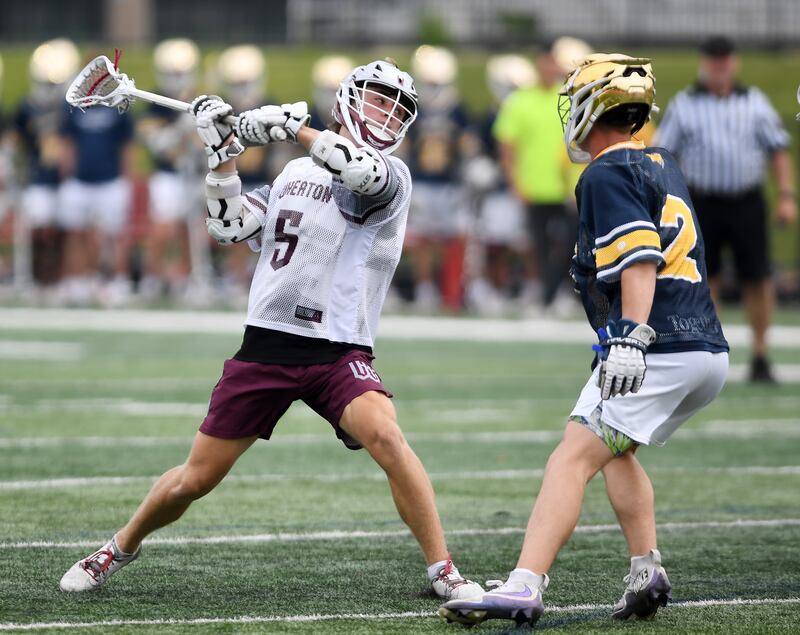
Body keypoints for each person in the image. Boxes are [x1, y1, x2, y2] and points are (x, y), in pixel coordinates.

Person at [59, 58, 483, 603]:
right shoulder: (294, 173)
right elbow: (229, 225)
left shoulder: (391, 177)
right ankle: (117, 548)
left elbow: (358, 173)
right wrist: (223, 157)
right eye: (377, 99)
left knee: (386, 436)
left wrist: (291, 128)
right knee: (196, 478)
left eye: (396, 107)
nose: (387, 114)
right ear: (347, 100)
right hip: (269, 341)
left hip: (338, 346)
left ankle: (442, 569)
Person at [440, 54, 729, 626]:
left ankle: (525, 582)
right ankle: (646, 569)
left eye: (577, 101)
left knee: (569, 460)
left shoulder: (606, 171)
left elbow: (640, 258)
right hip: (704, 347)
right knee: (615, 455)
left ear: (595, 107)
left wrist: (630, 337)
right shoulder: (660, 160)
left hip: (657, 345)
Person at [655, 36, 796, 383]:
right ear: (704, 63)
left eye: (725, 60)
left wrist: (786, 196)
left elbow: (778, 149)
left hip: (746, 200)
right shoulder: (684, 104)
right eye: (713, 60)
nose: (719, 67)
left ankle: (760, 353)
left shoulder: (755, 102)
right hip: (702, 202)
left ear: (734, 63)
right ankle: (709, 352)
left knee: (758, 277)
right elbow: (663, 154)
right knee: (705, 278)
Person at [492, 40, 577, 313]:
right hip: (534, 186)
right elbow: (507, 147)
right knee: (538, 246)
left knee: (568, 244)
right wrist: (515, 182)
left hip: (567, 187)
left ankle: (555, 292)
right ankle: (543, 292)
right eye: (546, 61)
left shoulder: (568, 98)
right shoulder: (520, 100)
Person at [58, 52, 135, 307]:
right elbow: (68, 143)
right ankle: (78, 282)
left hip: (111, 179)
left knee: (115, 235)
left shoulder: (119, 103)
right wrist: (66, 175)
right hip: (80, 180)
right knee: (76, 233)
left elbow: (127, 146)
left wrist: (128, 178)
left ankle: (119, 282)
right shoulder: (72, 102)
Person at [137, 38, 206, 302]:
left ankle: (187, 278)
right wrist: (180, 128)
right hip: (168, 174)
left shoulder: (200, 98)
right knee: (163, 228)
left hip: (194, 173)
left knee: (192, 229)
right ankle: (152, 277)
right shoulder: (155, 101)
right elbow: (157, 143)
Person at [10, 39, 78, 292]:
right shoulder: (26, 107)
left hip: (67, 177)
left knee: (65, 229)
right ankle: (37, 275)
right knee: (38, 228)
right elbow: (15, 141)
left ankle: (59, 276)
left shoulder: (73, 108)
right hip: (39, 176)